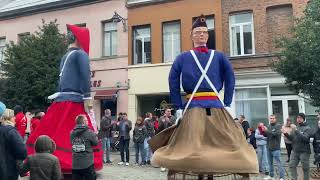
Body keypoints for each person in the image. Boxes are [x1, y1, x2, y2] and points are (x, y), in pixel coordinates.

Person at [151, 14, 258, 179]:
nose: (201, 35)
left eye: (204, 32)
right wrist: (178, 107)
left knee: (232, 141)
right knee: (191, 147)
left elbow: (230, 77)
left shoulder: (219, 56)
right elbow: (172, 80)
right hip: (192, 106)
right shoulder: (182, 57)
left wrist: (228, 103)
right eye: (197, 32)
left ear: (208, 35)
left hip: (216, 106)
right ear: (191, 36)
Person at [26, 24, 103, 173]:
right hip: (75, 101)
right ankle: (70, 163)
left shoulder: (65, 56)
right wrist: (87, 97)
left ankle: (46, 160)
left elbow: (61, 80)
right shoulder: (81, 54)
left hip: (61, 101)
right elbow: (85, 76)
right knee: (77, 131)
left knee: (55, 131)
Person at [0, 107, 27, 180]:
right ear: (8, 118)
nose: (15, 118)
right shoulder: (11, 131)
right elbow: (22, 151)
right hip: (8, 169)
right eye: (13, 116)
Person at [282, 113, 312, 180]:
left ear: (303, 119)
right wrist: (285, 133)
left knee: (305, 168)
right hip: (295, 151)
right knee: (291, 165)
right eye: (297, 118)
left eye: (300, 118)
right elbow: (292, 138)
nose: (298, 119)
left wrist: (296, 130)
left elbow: (306, 139)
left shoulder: (307, 128)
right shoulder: (296, 127)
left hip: (304, 152)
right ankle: (294, 178)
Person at [70, 115, 98, 180]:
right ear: (84, 122)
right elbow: (95, 143)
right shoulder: (89, 132)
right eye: (87, 120)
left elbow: (72, 143)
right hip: (87, 162)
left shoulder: (72, 133)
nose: (88, 121)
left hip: (75, 163)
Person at [264, 115, 285, 180]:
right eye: (271, 118)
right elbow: (266, 135)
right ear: (269, 119)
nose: (272, 119)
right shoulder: (268, 126)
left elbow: (275, 134)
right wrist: (263, 130)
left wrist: (267, 131)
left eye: (273, 118)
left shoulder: (278, 126)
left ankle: (282, 177)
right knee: (270, 163)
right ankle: (271, 176)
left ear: (275, 119)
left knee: (279, 163)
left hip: (276, 148)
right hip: (268, 148)